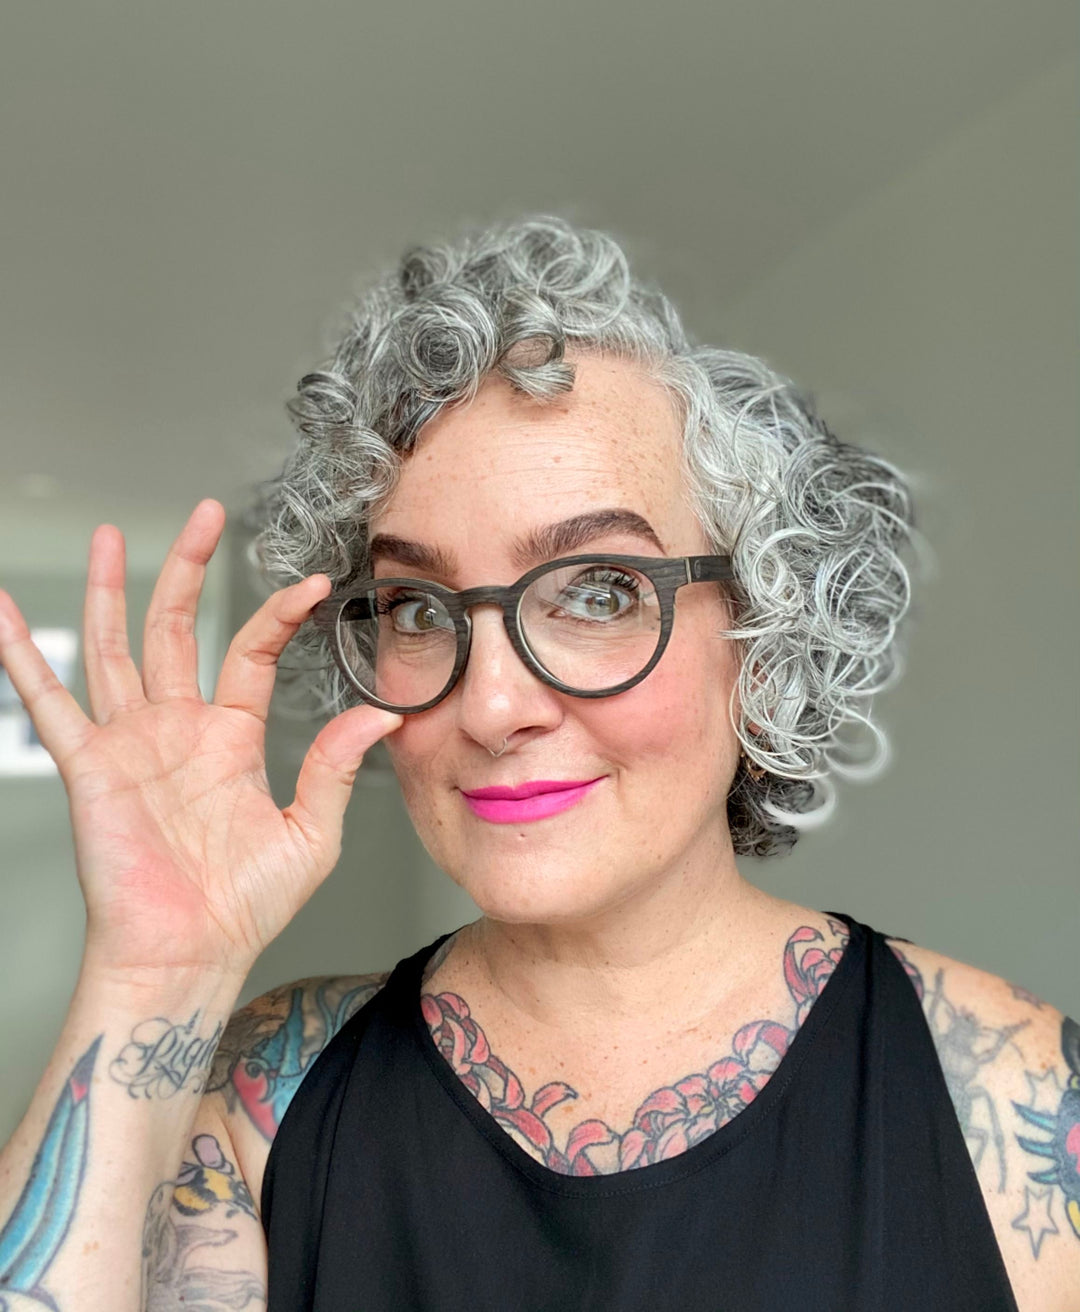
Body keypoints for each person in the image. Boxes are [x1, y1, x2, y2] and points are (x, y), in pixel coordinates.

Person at [0, 216, 1075, 1312]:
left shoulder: (1010, 1092)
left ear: (765, 641)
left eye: (601, 590)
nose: (492, 703)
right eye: (417, 607)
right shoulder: (269, 1092)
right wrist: (152, 973)